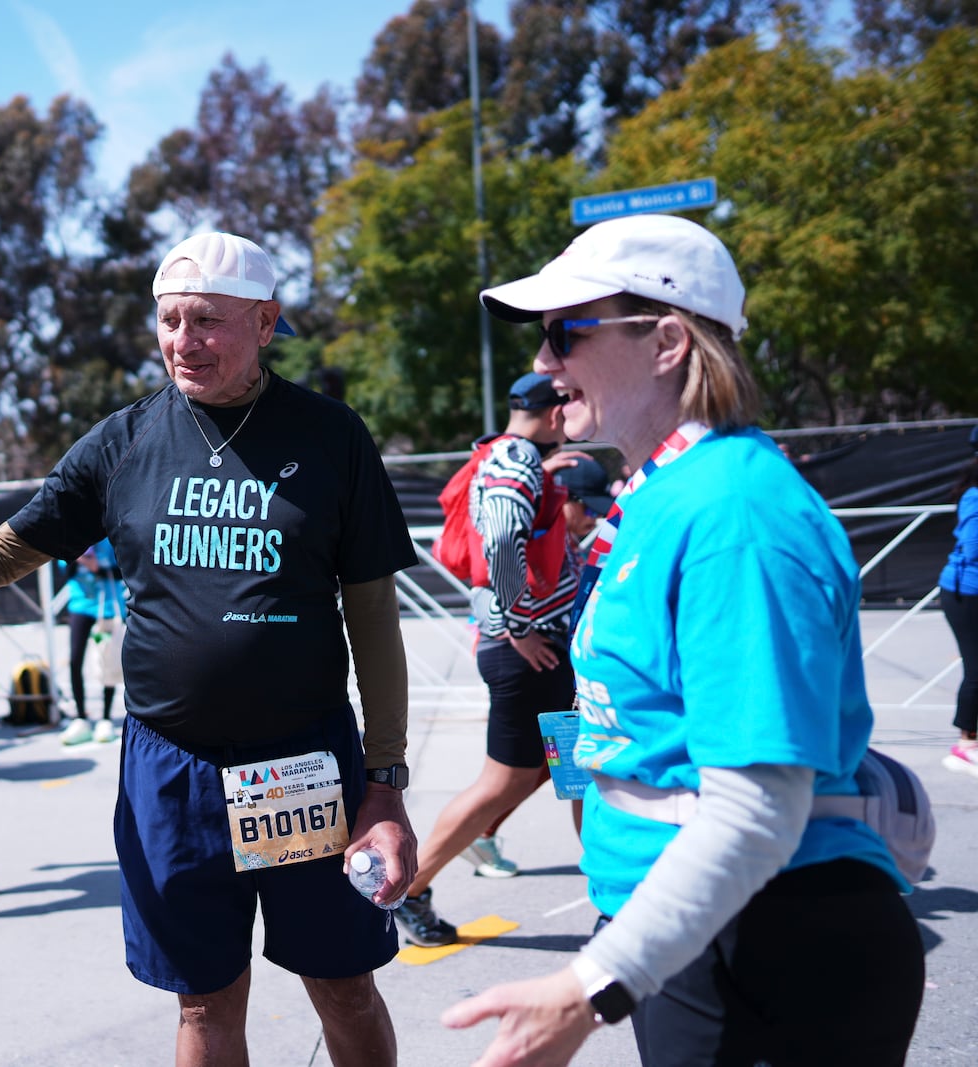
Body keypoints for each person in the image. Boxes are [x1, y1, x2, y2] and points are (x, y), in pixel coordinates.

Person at [0, 231, 418, 1067]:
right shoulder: (125, 440)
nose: (184, 340)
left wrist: (384, 783)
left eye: (208, 320)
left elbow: (373, 619)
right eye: (170, 320)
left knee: (344, 980)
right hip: (171, 769)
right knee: (204, 1002)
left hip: (303, 764)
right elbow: (6, 549)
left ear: (267, 321)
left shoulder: (330, 437)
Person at [442, 214, 923, 1065]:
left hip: (770, 944)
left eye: (566, 333)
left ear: (667, 340)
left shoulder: (733, 511)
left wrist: (591, 988)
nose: (546, 367)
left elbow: (757, 806)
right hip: (701, 934)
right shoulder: (668, 493)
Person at [395, 372, 582, 947]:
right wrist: (517, 622)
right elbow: (500, 542)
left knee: (562, 774)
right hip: (529, 652)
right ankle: (405, 889)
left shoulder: (502, 457)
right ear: (555, 415)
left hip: (533, 652)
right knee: (518, 782)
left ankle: (617, 893)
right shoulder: (517, 458)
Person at [56, 538, 125, 745]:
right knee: (75, 660)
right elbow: (65, 571)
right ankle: (80, 717)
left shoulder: (110, 538)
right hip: (80, 607)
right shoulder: (76, 536)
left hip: (107, 608)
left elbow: (124, 570)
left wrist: (98, 568)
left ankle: (105, 718)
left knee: (107, 660)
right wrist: (79, 559)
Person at [941, 425, 978, 777]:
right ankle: (966, 744)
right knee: (976, 669)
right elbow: (974, 547)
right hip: (964, 593)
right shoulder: (974, 496)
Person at [553, 453, 615, 547]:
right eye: (591, 509)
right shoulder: (533, 538)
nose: (596, 517)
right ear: (563, 497)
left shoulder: (569, 542)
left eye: (600, 512)